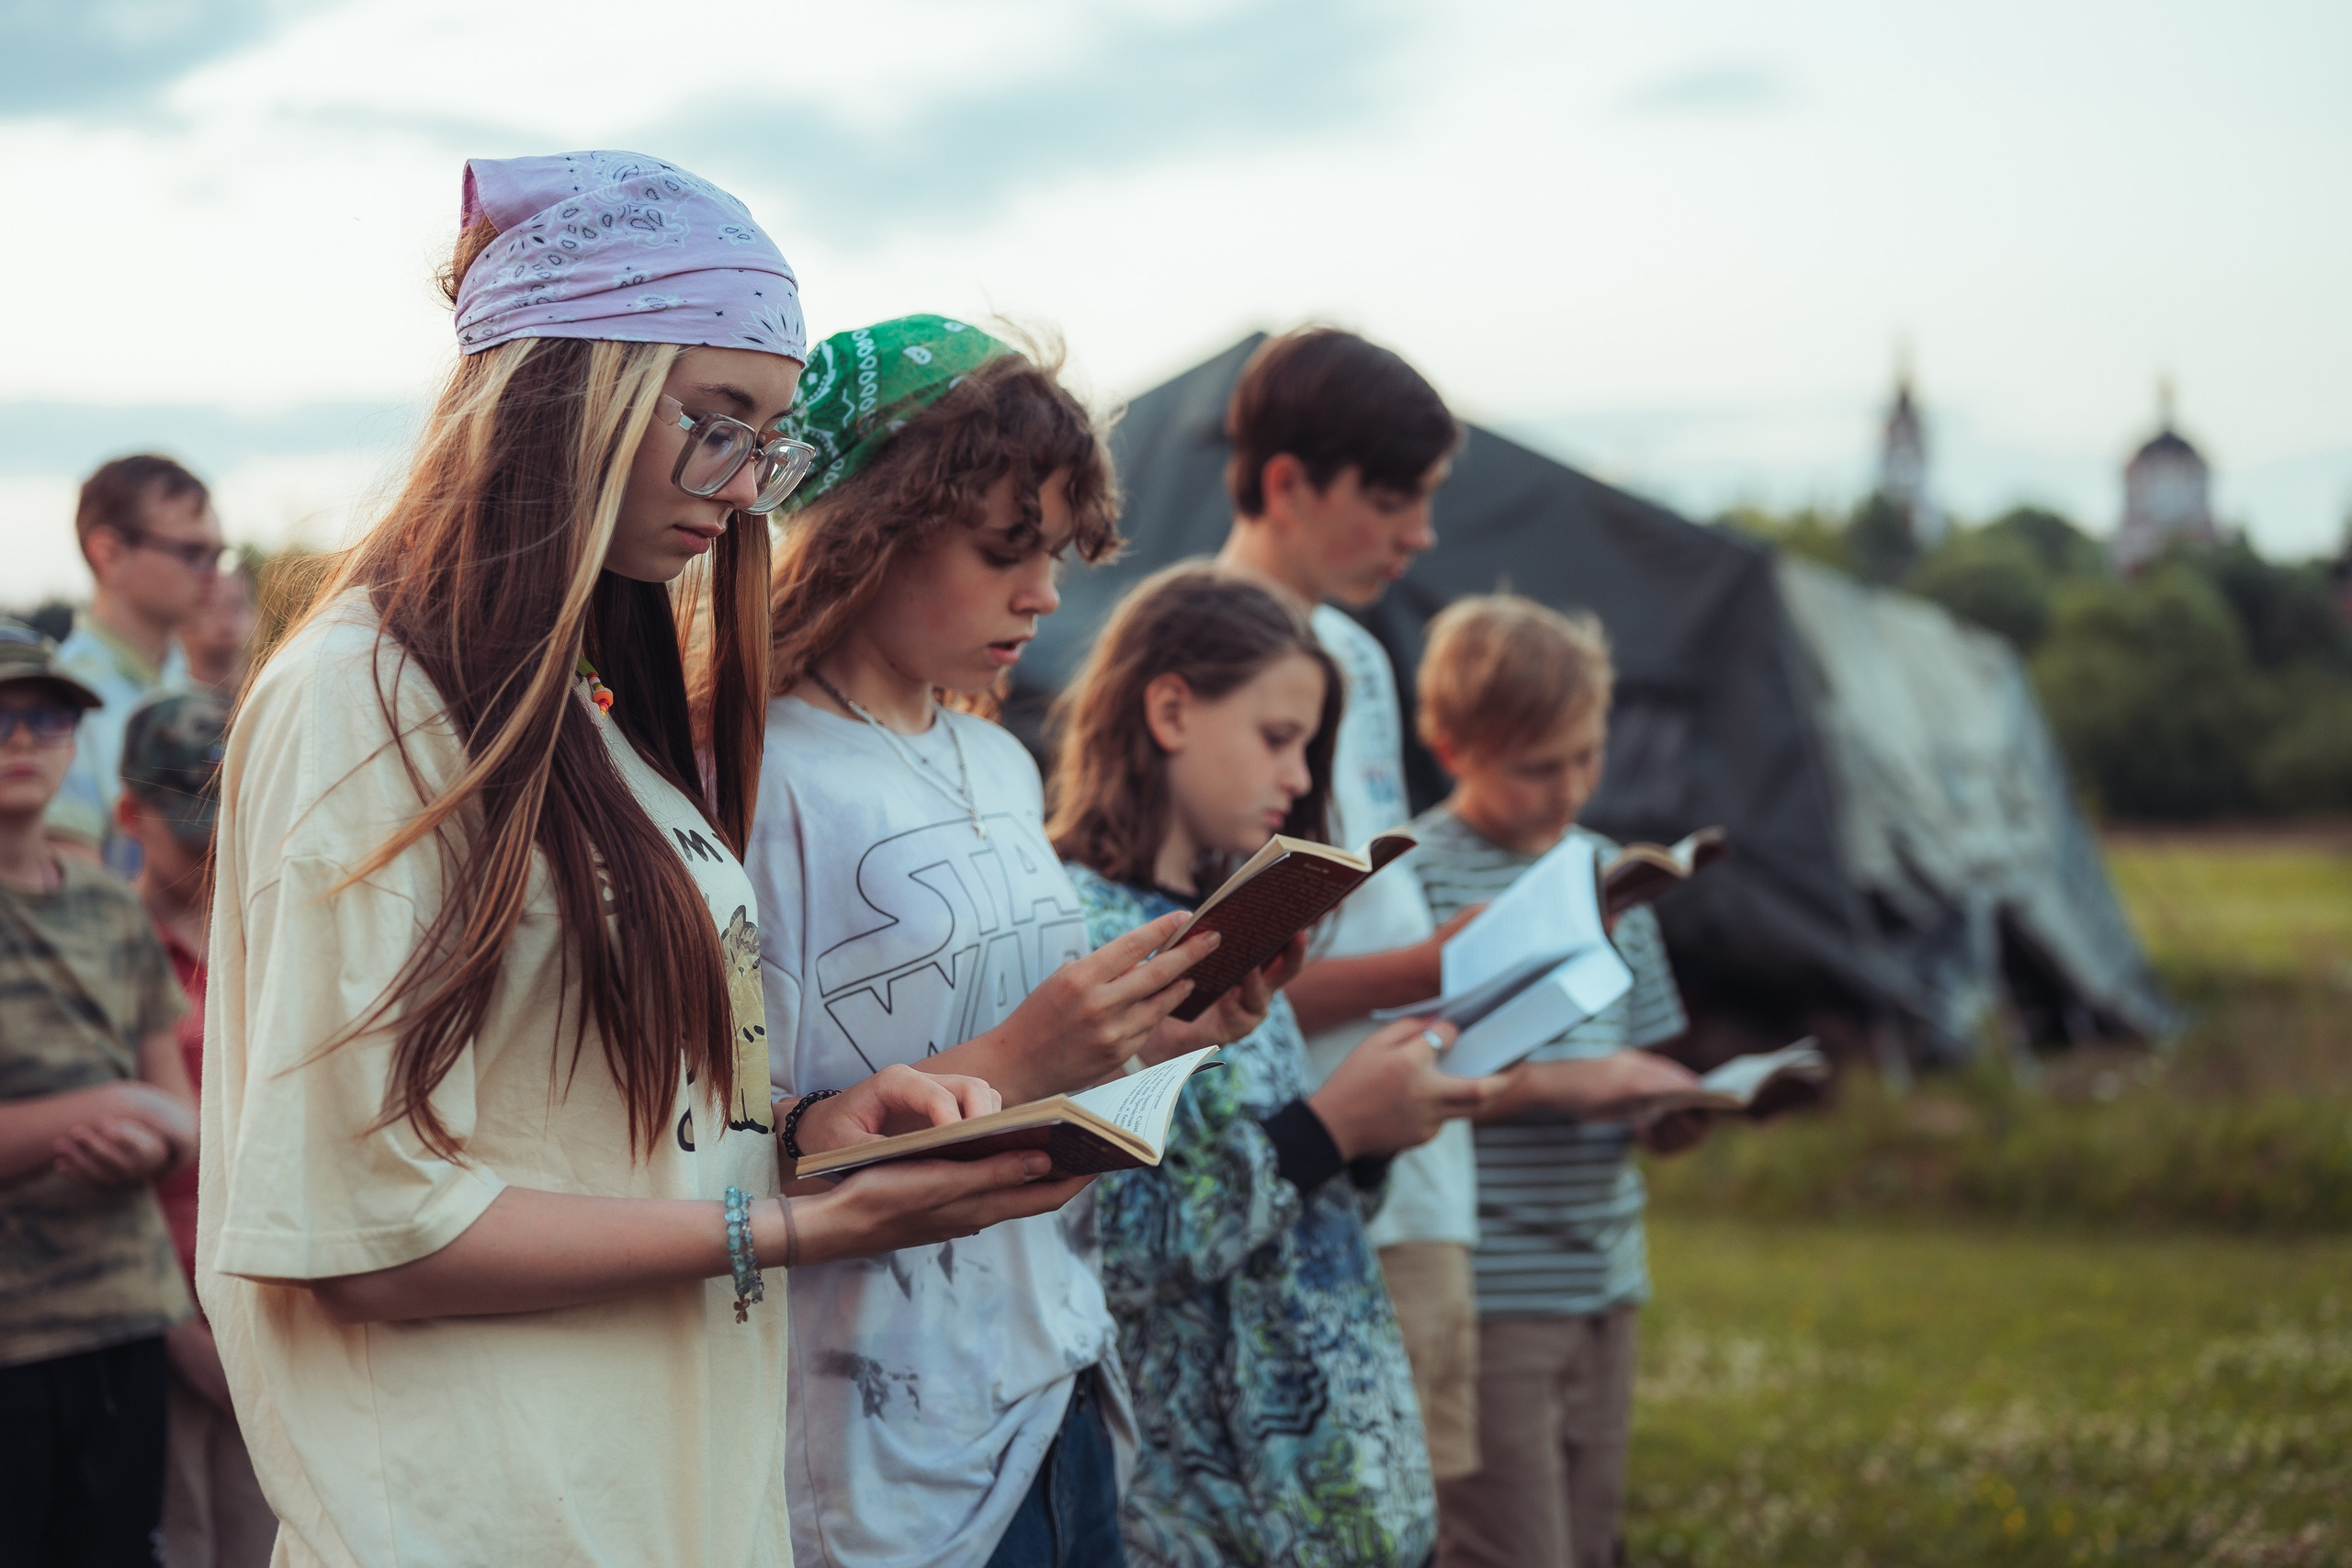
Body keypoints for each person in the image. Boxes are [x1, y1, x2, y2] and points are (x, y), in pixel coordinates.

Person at [200, 153, 1089, 1568]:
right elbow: (363, 1228)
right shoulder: (364, 700)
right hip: (482, 1515)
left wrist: (809, 1133)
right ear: (568, 382)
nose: (746, 489)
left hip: (664, 1498)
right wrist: (791, 1229)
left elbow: (593, 1120)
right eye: (718, 421)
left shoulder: (598, 710)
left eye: (774, 440)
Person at [750, 316, 1266, 1568]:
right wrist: (1031, 1054)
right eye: (1002, 551)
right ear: (866, 525)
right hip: (880, 1437)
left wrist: (1159, 1027)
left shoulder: (990, 750)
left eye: (1053, 552)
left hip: (1061, 1379)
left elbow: (1026, 1044)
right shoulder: (759, 775)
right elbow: (749, 1141)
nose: (1043, 594)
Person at [1048, 563, 1504, 1567]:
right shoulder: (1080, 934)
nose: (1300, 778)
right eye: (1276, 737)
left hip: (1346, 1502)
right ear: (1170, 709)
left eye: (1309, 745)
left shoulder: (1239, 919)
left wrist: (1374, 1134)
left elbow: (1297, 1218)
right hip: (1216, 1521)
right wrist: (1332, 1126)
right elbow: (1110, 1249)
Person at [1213, 326, 1491, 1486]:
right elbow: (1206, 988)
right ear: (1288, 482)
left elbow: (1370, 897)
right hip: (1288, 1161)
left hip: (1411, 1150)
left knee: (1413, 1500)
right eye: (1392, 500)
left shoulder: (1357, 652)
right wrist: (1433, 970)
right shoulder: (1202, 657)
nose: (1420, 536)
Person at [1405, 596, 1710, 1568]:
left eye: (1587, 756)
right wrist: (1574, 1084)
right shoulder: (1415, 882)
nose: (1570, 788)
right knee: (1508, 1544)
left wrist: (1670, 1109)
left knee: (1591, 1540)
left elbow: (1645, 1047)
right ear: (1451, 746)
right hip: (1490, 1289)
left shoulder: (1609, 876)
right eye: (1539, 766)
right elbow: (1408, 1079)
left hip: (1605, 1273)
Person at [0, 617, 199, 1566]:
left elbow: (180, 1118)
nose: (25, 743)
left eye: (45, 720)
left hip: (122, 1315)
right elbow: (151, 1100)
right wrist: (113, 1112)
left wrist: (150, 1142)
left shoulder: (110, 906)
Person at [111, 690, 277, 1568]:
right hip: (158, 1311)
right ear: (128, 813)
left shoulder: (274, 928)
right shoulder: (103, 948)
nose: (213, 842)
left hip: (272, 1305)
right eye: (189, 822)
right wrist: (177, 1329)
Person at [46, 455, 224, 874]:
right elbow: (78, 896)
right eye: (194, 551)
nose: (213, 574)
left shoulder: (190, 693)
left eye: (219, 554)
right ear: (109, 554)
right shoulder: (59, 706)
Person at [181, 560, 257, 694]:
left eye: (238, 606)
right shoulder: (164, 702)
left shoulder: (274, 696)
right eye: (212, 606)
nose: (227, 622)